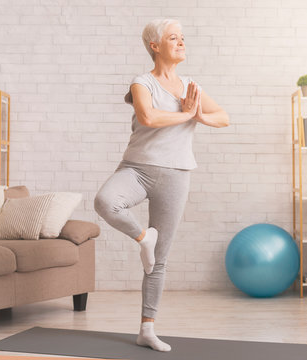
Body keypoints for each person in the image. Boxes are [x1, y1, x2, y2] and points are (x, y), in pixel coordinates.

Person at [94, 18, 229, 352]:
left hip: (176, 174)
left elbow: (223, 117)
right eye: (173, 38)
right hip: (137, 169)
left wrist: (198, 116)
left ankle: (147, 329)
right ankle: (143, 237)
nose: (181, 42)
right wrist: (186, 115)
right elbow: (148, 117)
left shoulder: (190, 86)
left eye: (183, 37)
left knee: (159, 260)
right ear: (155, 46)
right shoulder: (143, 82)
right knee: (105, 201)